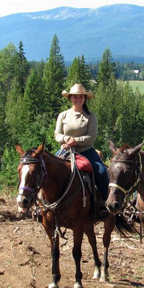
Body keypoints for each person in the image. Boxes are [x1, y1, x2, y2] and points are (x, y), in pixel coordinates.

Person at [55, 83, 109, 218]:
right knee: (48, 169)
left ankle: (105, 204)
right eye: (74, 97)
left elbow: (91, 137)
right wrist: (67, 139)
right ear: (70, 98)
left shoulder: (91, 116)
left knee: (102, 172)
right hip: (65, 149)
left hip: (86, 151)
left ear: (85, 99)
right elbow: (57, 135)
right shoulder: (63, 115)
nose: (77, 99)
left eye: (80, 97)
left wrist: (75, 141)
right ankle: (44, 203)